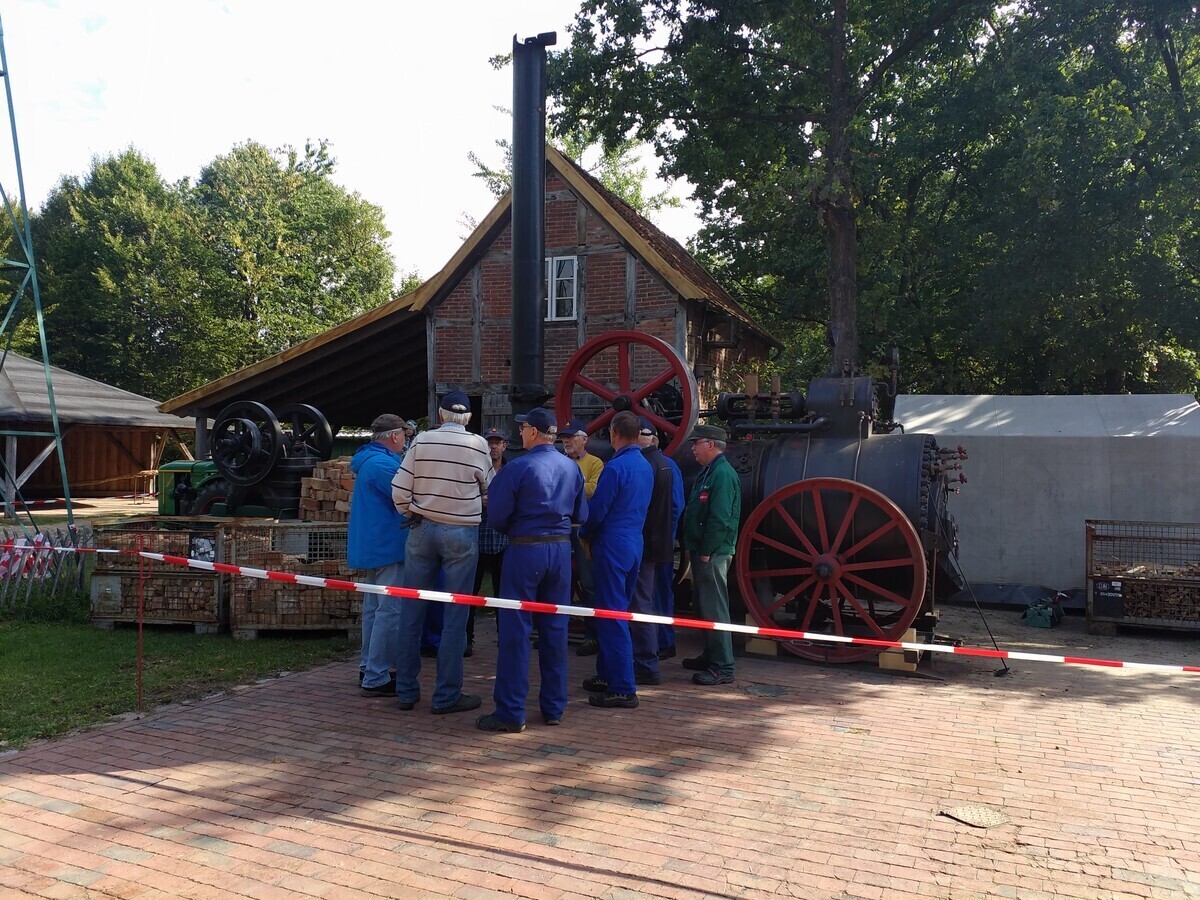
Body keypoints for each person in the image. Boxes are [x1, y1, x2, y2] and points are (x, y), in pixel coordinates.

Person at [476, 408, 587, 733]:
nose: (520, 432)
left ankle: (511, 712)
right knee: (555, 628)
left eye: (523, 427)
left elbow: (497, 517)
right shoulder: (572, 467)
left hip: (525, 549)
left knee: (516, 630)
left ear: (534, 432)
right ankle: (554, 706)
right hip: (560, 551)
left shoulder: (517, 468)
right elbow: (582, 514)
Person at [391, 390, 489, 714]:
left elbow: (399, 488)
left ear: (441, 414)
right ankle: (446, 695)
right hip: (461, 532)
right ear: (469, 418)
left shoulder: (421, 441)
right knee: (455, 617)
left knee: (411, 613)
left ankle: (406, 692)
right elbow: (490, 488)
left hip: (422, 528)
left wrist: (411, 512)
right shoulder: (478, 445)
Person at [578, 410, 653, 709]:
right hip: (634, 542)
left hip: (613, 544)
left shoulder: (615, 468)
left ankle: (622, 687)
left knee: (611, 615)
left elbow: (598, 510)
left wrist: (583, 532)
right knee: (618, 611)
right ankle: (608, 673)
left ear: (613, 433)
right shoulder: (645, 465)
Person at [349, 414, 410, 697]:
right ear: (395, 436)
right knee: (389, 610)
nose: (405, 440)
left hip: (373, 545)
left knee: (373, 610)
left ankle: (368, 667)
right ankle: (376, 676)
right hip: (387, 545)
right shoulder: (384, 465)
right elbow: (408, 497)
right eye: (404, 435)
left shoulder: (368, 460)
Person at [680, 423, 742, 686]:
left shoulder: (722, 475)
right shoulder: (710, 472)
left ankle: (723, 667)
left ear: (711, 445)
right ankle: (711, 655)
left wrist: (707, 551)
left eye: (697, 443)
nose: (693, 448)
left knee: (715, 608)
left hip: (713, 553)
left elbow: (720, 519)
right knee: (705, 605)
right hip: (704, 551)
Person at [629, 418, 684, 686]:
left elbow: (675, 506)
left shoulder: (664, 465)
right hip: (654, 541)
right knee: (651, 595)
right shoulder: (662, 464)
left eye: (641, 434)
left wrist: (665, 537)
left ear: (652, 438)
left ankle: (664, 642)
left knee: (656, 593)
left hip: (654, 542)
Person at [560, 417, 603, 656]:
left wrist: (567, 485)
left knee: (588, 582)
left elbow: (594, 490)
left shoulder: (595, 463)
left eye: (571, 437)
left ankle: (592, 635)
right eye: (564, 438)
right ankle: (556, 632)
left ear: (584, 439)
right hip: (561, 528)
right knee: (558, 581)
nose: (566, 442)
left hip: (582, 530)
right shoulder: (559, 460)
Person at [469, 426, 510, 654]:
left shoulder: (511, 470)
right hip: (477, 536)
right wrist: (478, 501)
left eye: (497, 442)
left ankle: (505, 637)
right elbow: (462, 495)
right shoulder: (474, 468)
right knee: (470, 591)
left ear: (504, 445)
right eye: (490, 442)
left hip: (503, 539)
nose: (493, 446)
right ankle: (467, 639)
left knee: (502, 592)